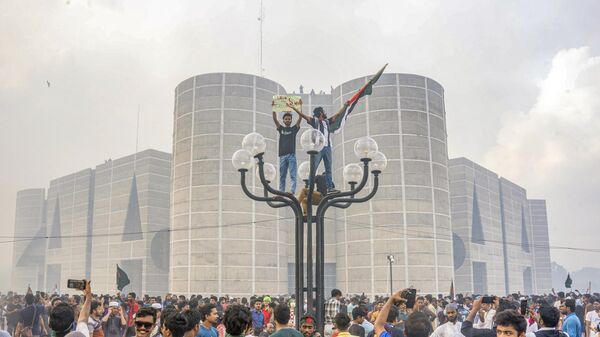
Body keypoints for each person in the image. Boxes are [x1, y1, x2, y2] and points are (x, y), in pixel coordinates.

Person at [291, 102, 350, 194]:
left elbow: (338, 114)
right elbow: (303, 116)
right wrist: (295, 109)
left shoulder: (327, 122)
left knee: (328, 169)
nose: (325, 113)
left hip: (328, 148)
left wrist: (345, 106)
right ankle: (310, 188)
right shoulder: (315, 121)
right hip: (318, 148)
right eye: (323, 111)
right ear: (321, 113)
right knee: (313, 168)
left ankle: (330, 188)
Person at [272, 103, 302, 194]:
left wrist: (299, 107)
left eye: (289, 119)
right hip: (282, 156)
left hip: (291, 155)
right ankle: (281, 192)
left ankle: (292, 191)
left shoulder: (294, 129)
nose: (288, 120)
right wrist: (274, 107)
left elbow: (300, 117)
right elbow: (274, 118)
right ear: (283, 120)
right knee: (282, 176)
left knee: (293, 174)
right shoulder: (281, 129)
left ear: (291, 120)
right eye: (286, 119)